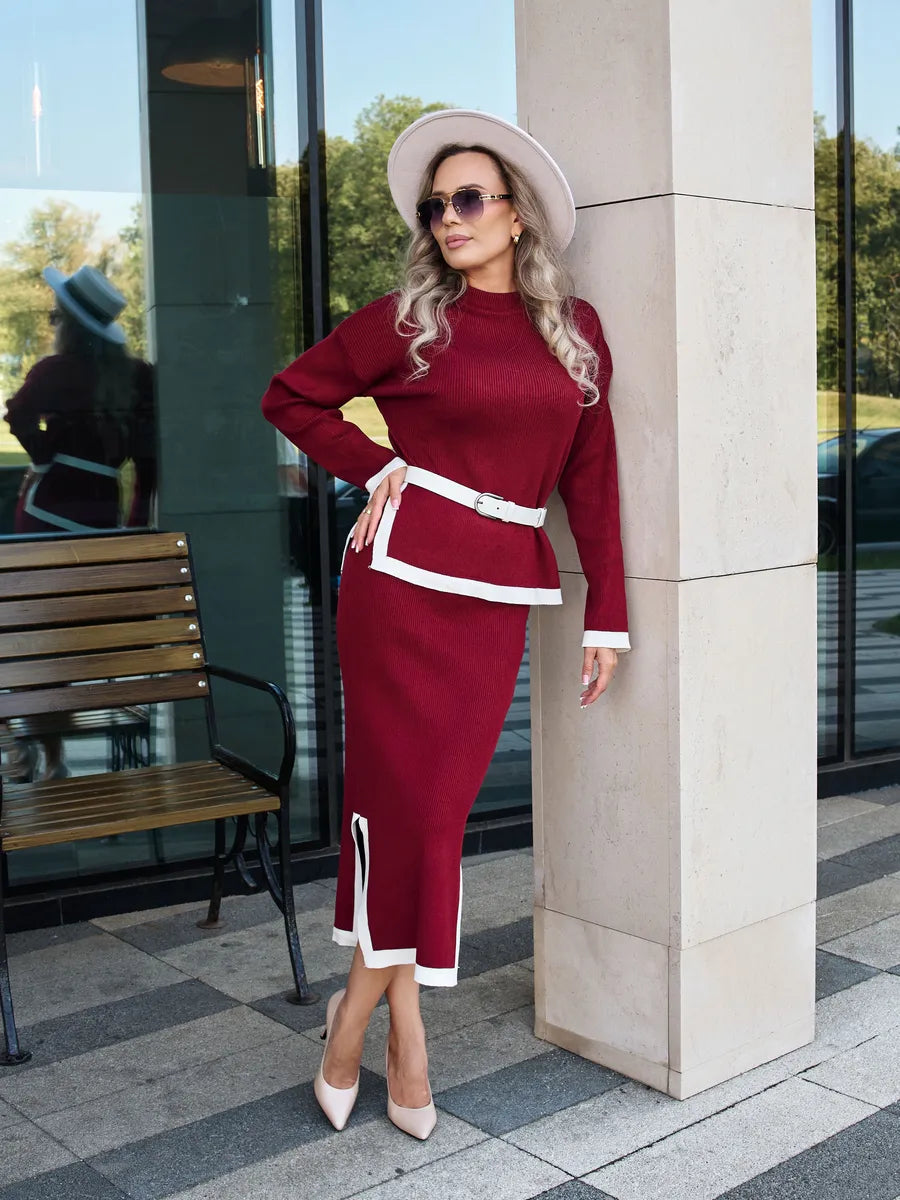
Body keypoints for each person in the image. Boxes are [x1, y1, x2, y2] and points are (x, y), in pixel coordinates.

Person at [261, 109, 630, 1139]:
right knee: (405, 808)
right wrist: (378, 464)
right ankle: (401, 1037)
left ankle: (361, 1015)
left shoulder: (577, 332)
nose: (448, 218)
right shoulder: (407, 321)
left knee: (435, 814)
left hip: (495, 594)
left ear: (518, 216)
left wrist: (608, 613)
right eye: (435, 206)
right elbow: (290, 398)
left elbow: (593, 481)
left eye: (469, 199)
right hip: (397, 585)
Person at [4, 263, 156, 779]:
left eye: (55, 315)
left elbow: (17, 415)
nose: (52, 321)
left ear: (69, 323)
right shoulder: (140, 377)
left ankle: (37, 750)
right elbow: (149, 465)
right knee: (65, 639)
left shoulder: (55, 370)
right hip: (102, 520)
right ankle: (43, 753)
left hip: (44, 515)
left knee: (34, 633)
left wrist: (46, 456)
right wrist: (133, 526)